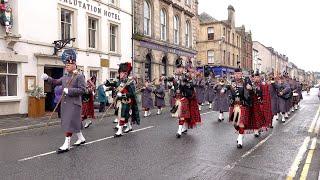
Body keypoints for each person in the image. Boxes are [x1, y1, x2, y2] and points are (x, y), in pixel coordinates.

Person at [41, 49, 86, 154]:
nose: (67, 66)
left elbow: (83, 90)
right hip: (66, 103)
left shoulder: (79, 76)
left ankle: (67, 144)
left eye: (69, 64)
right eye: (66, 64)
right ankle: (81, 138)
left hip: (74, 104)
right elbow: (56, 82)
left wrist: (69, 91)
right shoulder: (65, 76)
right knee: (74, 122)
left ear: (74, 64)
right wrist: (47, 78)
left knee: (69, 122)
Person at [105, 62, 140, 137]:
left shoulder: (130, 82)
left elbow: (132, 94)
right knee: (121, 115)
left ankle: (120, 130)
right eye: (120, 72)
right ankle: (129, 127)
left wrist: (123, 95)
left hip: (126, 101)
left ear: (126, 74)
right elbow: (113, 84)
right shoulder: (119, 82)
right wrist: (107, 83)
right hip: (119, 102)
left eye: (123, 73)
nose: (121, 74)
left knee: (122, 115)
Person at [170, 58, 201, 138]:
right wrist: (164, 78)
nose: (178, 70)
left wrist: (186, 83)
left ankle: (179, 131)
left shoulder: (186, 77)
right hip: (177, 99)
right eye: (177, 68)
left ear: (183, 69)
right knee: (179, 115)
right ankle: (184, 128)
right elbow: (170, 80)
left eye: (180, 68)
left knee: (182, 115)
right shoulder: (175, 77)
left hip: (185, 98)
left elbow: (194, 84)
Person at [229, 68, 254, 148]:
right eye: (236, 74)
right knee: (236, 124)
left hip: (243, 105)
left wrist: (250, 89)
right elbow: (227, 88)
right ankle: (241, 133)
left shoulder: (245, 82)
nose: (237, 75)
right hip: (234, 105)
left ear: (241, 74)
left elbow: (250, 92)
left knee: (241, 122)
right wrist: (223, 89)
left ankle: (240, 139)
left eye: (239, 74)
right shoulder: (231, 82)